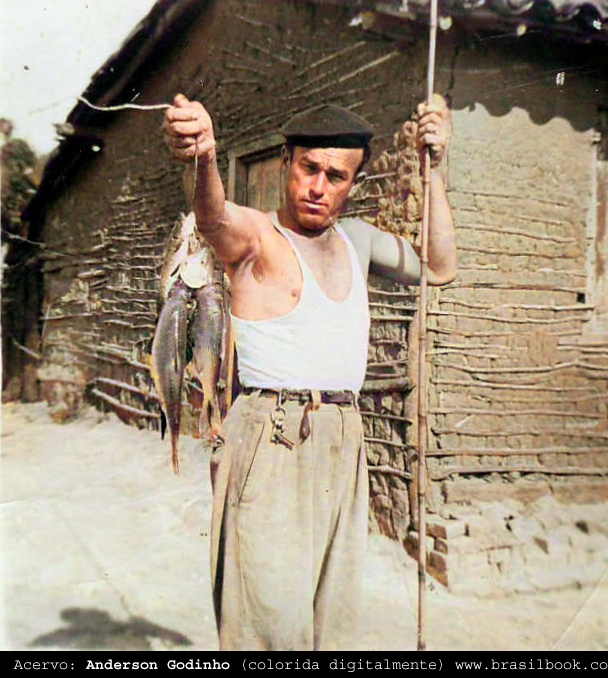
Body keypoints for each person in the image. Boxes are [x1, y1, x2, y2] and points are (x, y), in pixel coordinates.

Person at [162, 94, 456, 651]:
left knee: (332, 621)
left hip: (343, 437)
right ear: (285, 164)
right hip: (271, 436)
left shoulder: (358, 241)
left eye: (336, 176)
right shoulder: (256, 236)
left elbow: (439, 268)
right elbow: (213, 217)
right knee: (268, 622)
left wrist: (434, 171)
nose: (318, 187)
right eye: (308, 168)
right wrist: (204, 157)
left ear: (353, 183)